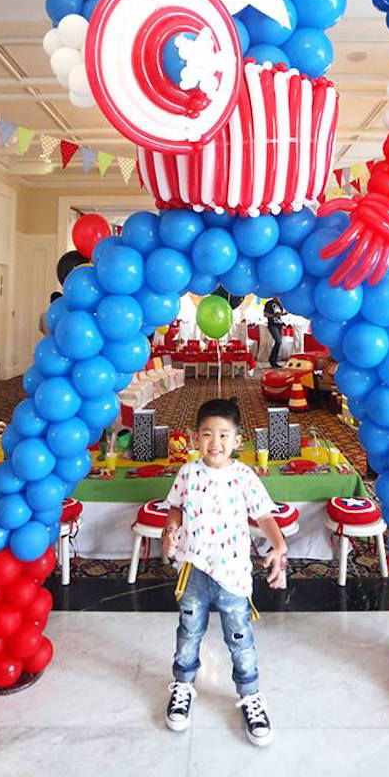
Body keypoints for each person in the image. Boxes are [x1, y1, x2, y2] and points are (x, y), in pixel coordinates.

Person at [161, 397, 287, 747]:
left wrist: (279, 545)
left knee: (239, 638)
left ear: (237, 440)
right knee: (189, 632)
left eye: (223, 435)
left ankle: (250, 696)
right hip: (194, 569)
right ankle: (183, 686)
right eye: (206, 434)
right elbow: (175, 509)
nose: (214, 443)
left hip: (232, 573)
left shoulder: (244, 476)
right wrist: (168, 533)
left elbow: (264, 516)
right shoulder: (187, 473)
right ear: (194, 437)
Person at [263, 297, 285, 368]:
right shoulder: (269, 303)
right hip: (272, 324)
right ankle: (272, 359)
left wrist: (283, 314)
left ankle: (274, 360)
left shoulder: (280, 303)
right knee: (278, 341)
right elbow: (265, 314)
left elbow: (280, 314)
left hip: (279, 324)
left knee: (279, 342)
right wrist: (274, 315)